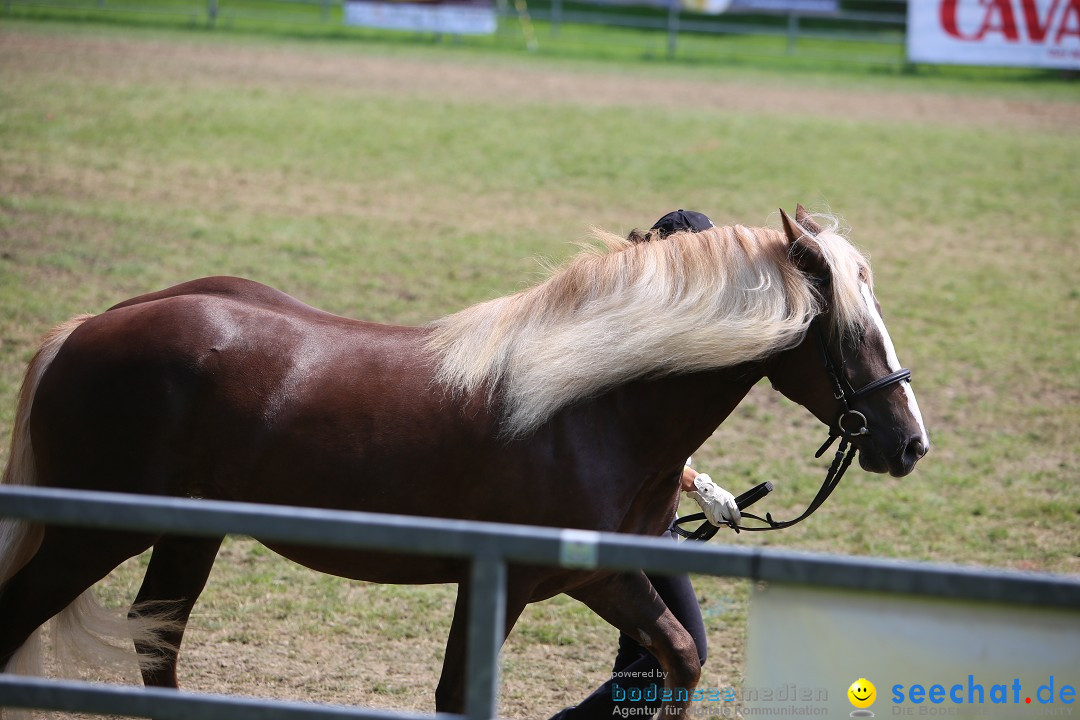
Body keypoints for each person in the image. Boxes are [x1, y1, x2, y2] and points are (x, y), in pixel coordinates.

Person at [549, 210, 741, 720]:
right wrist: (699, 484)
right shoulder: (636, 328)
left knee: (646, 656)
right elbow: (628, 442)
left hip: (647, 509)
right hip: (633, 514)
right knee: (683, 653)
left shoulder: (669, 319)